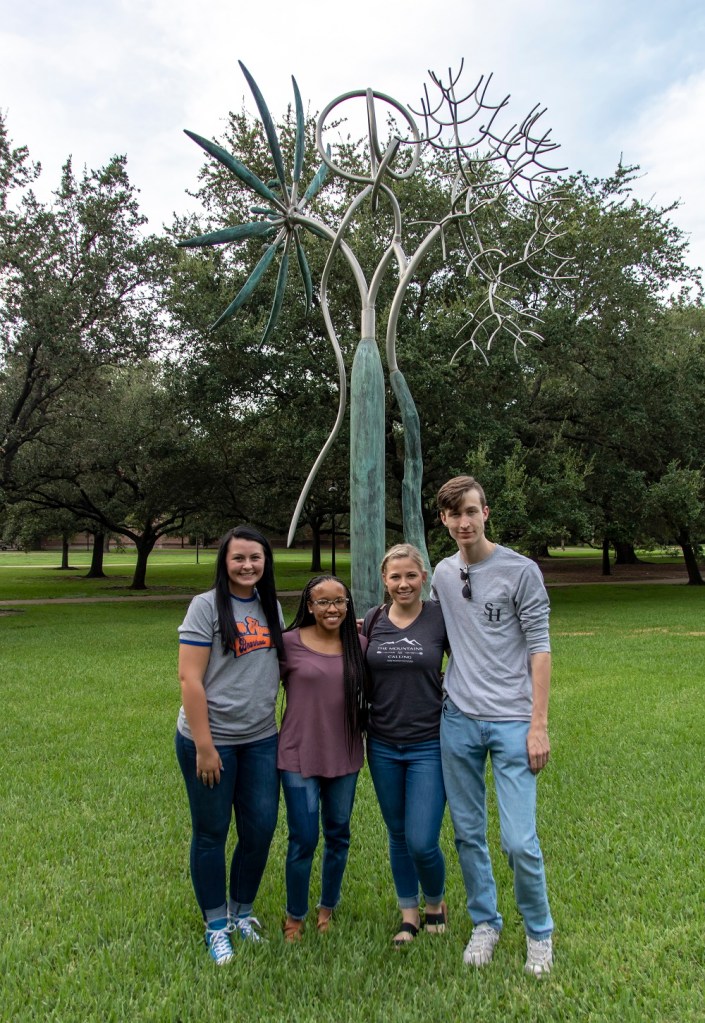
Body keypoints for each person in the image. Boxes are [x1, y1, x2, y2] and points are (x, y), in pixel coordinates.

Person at [431, 476, 554, 977]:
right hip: (458, 719)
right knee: (467, 833)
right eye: (454, 514)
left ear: (485, 512)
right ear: (443, 520)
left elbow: (540, 648)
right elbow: (423, 625)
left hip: (512, 721)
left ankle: (539, 932)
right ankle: (486, 922)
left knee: (519, 841)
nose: (464, 522)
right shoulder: (442, 573)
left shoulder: (521, 571)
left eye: (471, 511)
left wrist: (538, 725)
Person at [175, 525, 284, 965]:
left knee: (260, 829)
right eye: (239, 557)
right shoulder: (205, 606)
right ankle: (216, 925)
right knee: (212, 832)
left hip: (260, 739)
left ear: (265, 562)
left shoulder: (270, 606)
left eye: (255, 557)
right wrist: (205, 746)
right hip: (210, 740)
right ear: (224, 561)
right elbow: (189, 678)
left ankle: (242, 913)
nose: (247, 565)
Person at [362, 543, 449, 946]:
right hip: (382, 743)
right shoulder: (373, 620)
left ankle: (435, 902)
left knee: (422, 840)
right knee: (397, 834)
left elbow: (468, 660)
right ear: (384, 580)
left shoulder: (439, 618)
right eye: (395, 577)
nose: (403, 584)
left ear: (423, 577)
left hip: (428, 743)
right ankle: (409, 913)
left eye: (411, 575)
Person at [278, 574, 367, 941]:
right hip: (297, 755)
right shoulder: (287, 643)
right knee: (303, 837)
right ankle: (294, 917)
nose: (333, 608)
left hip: (345, 754)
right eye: (324, 602)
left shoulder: (359, 645)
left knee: (338, 834)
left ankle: (327, 908)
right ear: (309, 605)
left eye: (339, 601)